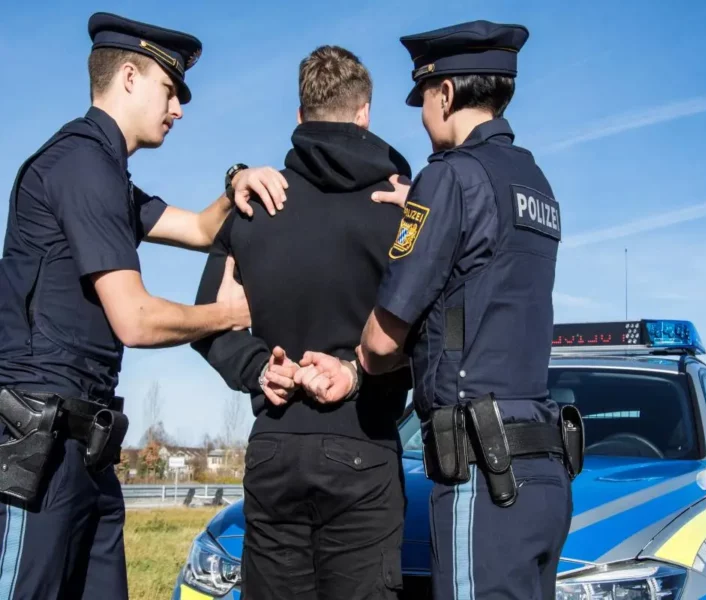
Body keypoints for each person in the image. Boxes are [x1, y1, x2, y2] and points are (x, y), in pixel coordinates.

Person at [0, 12, 286, 600]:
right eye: (170, 89)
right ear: (129, 77)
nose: (178, 108)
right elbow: (133, 319)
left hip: (88, 447)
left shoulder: (108, 175)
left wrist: (235, 181)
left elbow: (201, 229)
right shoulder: (80, 164)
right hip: (38, 446)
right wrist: (227, 316)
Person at [298, 20, 585, 600]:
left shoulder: (448, 178)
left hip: (484, 474)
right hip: (544, 470)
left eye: (424, 99)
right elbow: (485, 290)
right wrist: (435, 213)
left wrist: (355, 363)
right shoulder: (535, 183)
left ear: (446, 93)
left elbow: (382, 342)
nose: (423, 117)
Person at [191, 45, 413, 600]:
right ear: (365, 113)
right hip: (364, 442)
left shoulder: (254, 205)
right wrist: (357, 373)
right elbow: (429, 334)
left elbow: (207, 321)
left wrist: (257, 369)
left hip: (274, 443)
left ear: (299, 116)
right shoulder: (400, 211)